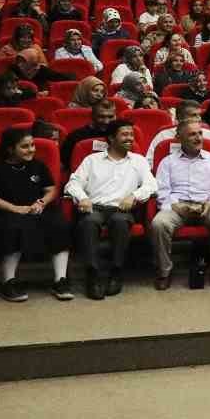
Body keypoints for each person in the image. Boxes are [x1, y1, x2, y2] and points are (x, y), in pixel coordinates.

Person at [64, 118, 158, 299]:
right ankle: (93, 274)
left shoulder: (138, 161)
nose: (130, 138)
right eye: (124, 134)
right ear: (111, 138)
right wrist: (82, 198)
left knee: (120, 221)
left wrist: (134, 196)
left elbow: (152, 185)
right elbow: (73, 183)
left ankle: (116, 272)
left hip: (122, 210)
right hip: (95, 207)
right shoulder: (92, 160)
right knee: (89, 222)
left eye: (131, 134)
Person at [0, 127, 73, 302]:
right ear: (10, 149)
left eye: (32, 145)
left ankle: (60, 280)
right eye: (25, 146)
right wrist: (14, 208)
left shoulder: (38, 165)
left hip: (37, 209)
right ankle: (8, 281)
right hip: (7, 210)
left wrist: (42, 202)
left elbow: (52, 190)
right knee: (12, 227)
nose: (31, 149)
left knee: (59, 224)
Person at [150, 119, 210, 289]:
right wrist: (177, 206)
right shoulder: (167, 162)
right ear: (179, 137)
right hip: (177, 207)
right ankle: (164, 271)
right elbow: (162, 192)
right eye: (192, 134)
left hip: (207, 206)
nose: (198, 138)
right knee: (158, 224)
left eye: (200, 133)